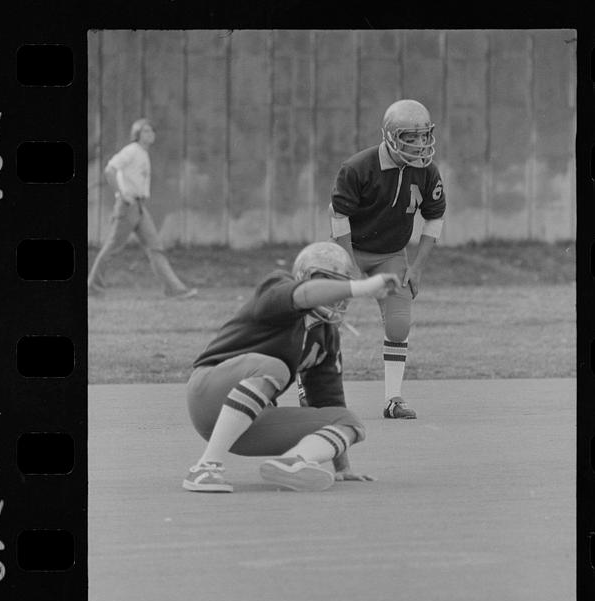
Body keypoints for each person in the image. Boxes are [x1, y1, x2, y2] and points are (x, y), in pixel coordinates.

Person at [183, 241, 401, 493]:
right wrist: (361, 287)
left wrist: (341, 467)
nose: (336, 295)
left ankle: (295, 461)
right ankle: (205, 466)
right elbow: (304, 295)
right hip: (207, 392)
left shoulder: (326, 337)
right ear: (305, 277)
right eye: (329, 283)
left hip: (247, 421)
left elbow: (327, 401)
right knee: (274, 367)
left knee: (349, 421)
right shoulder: (276, 287)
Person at [329, 99, 446, 419]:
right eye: (412, 137)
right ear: (392, 136)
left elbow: (434, 218)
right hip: (349, 250)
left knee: (398, 324)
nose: (421, 144)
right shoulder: (358, 167)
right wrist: (348, 264)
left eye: (425, 136)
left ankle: (393, 399)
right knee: (328, 318)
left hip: (391, 254)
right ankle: (309, 385)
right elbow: (338, 215)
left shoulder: (427, 171)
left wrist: (418, 267)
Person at [87, 118, 197, 299]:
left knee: (155, 248)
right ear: (137, 134)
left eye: (151, 131)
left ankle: (174, 289)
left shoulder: (143, 153)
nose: (150, 134)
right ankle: (92, 287)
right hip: (128, 205)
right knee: (112, 246)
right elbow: (110, 169)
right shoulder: (131, 150)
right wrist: (121, 194)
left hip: (140, 206)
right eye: (145, 131)